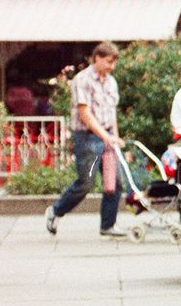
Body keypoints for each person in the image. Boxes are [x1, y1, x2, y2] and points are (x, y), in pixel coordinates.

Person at [46, 42, 124, 237]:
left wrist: (114, 135)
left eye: (113, 63)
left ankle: (108, 225)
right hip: (88, 138)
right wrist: (105, 136)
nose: (111, 67)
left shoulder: (111, 82)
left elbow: (111, 111)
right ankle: (56, 210)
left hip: (106, 135)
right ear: (96, 57)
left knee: (114, 182)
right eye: (108, 62)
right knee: (86, 182)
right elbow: (85, 114)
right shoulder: (82, 80)